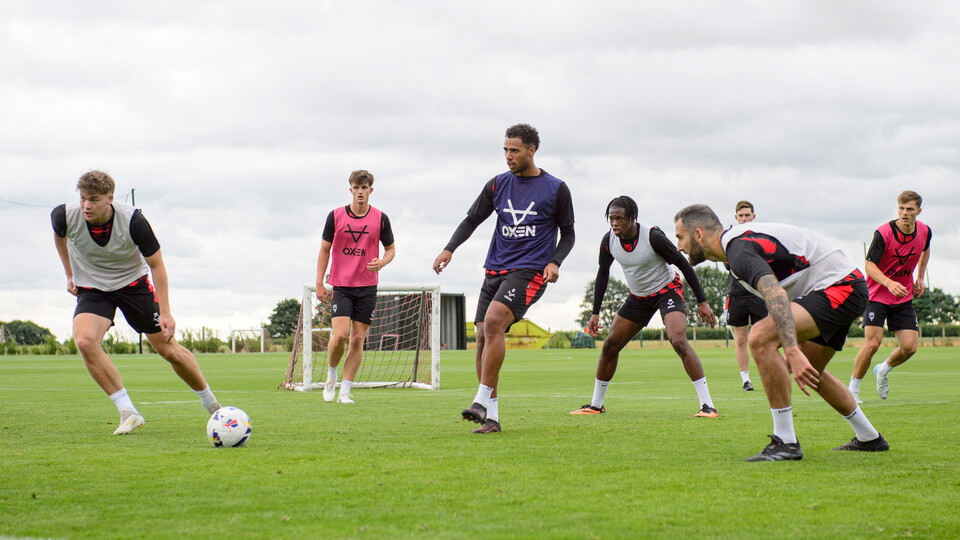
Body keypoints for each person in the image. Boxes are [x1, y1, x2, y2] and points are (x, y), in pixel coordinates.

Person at [674, 204, 888, 461]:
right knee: (813, 372)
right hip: (843, 287)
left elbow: (774, 292)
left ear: (698, 235)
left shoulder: (738, 249)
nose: (678, 246)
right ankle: (870, 438)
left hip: (840, 288)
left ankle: (785, 441)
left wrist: (792, 349)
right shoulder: (735, 249)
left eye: (680, 237)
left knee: (760, 337)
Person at [52, 170, 221, 435]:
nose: (86, 205)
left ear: (110, 199)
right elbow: (60, 239)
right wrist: (69, 273)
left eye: (94, 199)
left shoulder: (134, 221)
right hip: (94, 289)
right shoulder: (63, 215)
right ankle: (128, 412)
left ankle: (213, 405)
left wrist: (166, 313)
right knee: (84, 340)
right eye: (83, 198)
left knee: (169, 351)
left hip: (133, 286)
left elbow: (157, 265)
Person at [433, 123, 575, 434]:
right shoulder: (497, 185)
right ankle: (492, 418)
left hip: (530, 271)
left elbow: (569, 234)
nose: (508, 156)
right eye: (505, 150)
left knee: (495, 320)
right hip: (494, 269)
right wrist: (449, 248)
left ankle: (481, 400)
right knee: (483, 336)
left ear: (531, 150)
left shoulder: (556, 189)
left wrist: (555, 262)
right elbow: (472, 219)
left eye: (515, 150)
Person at [569, 195, 720, 418]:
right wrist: (595, 313)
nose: (615, 223)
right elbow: (603, 273)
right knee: (610, 345)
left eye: (620, 218)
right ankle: (596, 404)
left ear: (632, 218)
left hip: (666, 291)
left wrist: (702, 302)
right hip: (638, 298)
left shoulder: (653, 237)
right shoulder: (608, 240)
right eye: (611, 219)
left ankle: (708, 406)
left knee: (677, 339)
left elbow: (684, 265)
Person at [315, 170, 395, 404]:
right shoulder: (336, 216)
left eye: (365, 187)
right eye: (356, 188)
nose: (360, 192)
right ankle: (331, 376)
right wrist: (320, 283)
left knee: (358, 339)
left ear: (371, 190)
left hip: (368, 286)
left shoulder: (380, 218)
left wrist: (382, 261)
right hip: (342, 284)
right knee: (340, 335)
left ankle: (346, 390)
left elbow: (390, 249)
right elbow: (324, 250)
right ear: (350, 190)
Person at [848, 191, 930, 403]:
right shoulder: (883, 233)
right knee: (873, 343)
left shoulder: (925, 231)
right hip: (877, 295)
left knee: (910, 347)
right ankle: (852, 390)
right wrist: (889, 283)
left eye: (910, 209)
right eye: (901, 209)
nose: (904, 213)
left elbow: (925, 249)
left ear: (918, 212)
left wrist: (919, 277)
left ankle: (882, 370)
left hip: (902, 298)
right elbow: (869, 265)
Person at [724, 201, 767, 391]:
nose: (744, 218)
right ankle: (745, 380)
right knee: (741, 339)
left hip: (758, 293)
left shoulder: (762, 236)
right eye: (741, 216)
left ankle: (769, 375)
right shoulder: (728, 238)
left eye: (747, 215)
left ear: (754, 216)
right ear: (736, 217)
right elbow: (728, 263)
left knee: (763, 338)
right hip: (737, 293)